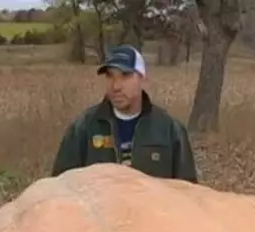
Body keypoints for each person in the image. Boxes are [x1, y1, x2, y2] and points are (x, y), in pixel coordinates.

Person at [50, 45, 199, 183]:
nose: (116, 86)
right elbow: (61, 188)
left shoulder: (170, 130)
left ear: (143, 79)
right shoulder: (83, 128)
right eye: (110, 76)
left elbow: (187, 193)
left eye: (125, 75)